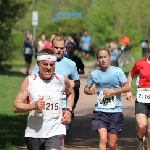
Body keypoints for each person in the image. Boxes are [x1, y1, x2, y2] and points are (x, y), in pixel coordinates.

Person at [13, 50, 74, 150]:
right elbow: (16, 106)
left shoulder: (61, 80)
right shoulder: (30, 81)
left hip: (56, 130)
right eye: (45, 64)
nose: (49, 68)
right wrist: (33, 106)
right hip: (34, 132)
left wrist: (68, 109)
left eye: (52, 65)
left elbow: (71, 93)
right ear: (38, 64)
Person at [31, 35, 80, 146]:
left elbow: (77, 83)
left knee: (59, 140)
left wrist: (73, 84)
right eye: (56, 47)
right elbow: (32, 79)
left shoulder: (70, 64)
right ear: (51, 47)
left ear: (65, 48)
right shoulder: (43, 63)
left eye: (61, 48)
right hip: (44, 106)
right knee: (43, 140)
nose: (58, 50)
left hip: (62, 107)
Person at [84, 47, 130, 150]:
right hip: (100, 111)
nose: (103, 59)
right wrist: (90, 91)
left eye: (105, 57)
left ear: (109, 57)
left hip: (115, 111)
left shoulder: (117, 71)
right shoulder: (94, 74)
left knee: (112, 144)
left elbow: (127, 87)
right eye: (100, 57)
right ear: (97, 59)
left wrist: (113, 91)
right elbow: (86, 89)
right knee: (103, 139)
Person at [126, 44, 150, 150]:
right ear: (148, 51)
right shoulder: (140, 63)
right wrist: (128, 90)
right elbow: (131, 74)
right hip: (142, 97)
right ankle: (140, 140)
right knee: (141, 125)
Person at [66, 42, 85, 117]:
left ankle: (72, 108)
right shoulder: (62, 59)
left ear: (74, 49)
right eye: (68, 48)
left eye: (72, 48)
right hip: (65, 81)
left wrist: (76, 72)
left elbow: (82, 71)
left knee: (76, 95)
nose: (70, 50)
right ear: (66, 49)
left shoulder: (77, 59)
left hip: (75, 81)